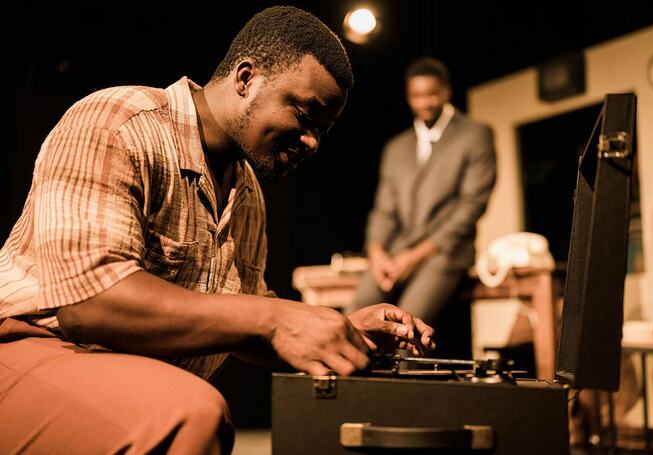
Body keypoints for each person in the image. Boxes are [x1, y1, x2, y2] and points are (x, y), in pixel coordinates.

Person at [0, 7, 435, 453]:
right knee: (188, 416)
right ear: (246, 78)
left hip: (128, 377)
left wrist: (337, 329)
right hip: (28, 348)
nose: (312, 143)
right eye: (305, 117)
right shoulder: (117, 121)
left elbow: (246, 318)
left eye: (323, 131)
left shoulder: (247, 192)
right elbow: (88, 303)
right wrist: (276, 319)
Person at [350, 57, 496, 358]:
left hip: (445, 251)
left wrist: (416, 256)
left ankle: (398, 400)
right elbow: (384, 210)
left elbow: (471, 206)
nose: (424, 102)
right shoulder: (396, 148)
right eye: (416, 96)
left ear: (446, 93)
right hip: (396, 252)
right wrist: (376, 252)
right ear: (408, 97)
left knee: (407, 326)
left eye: (431, 94)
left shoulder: (475, 134)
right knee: (357, 313)